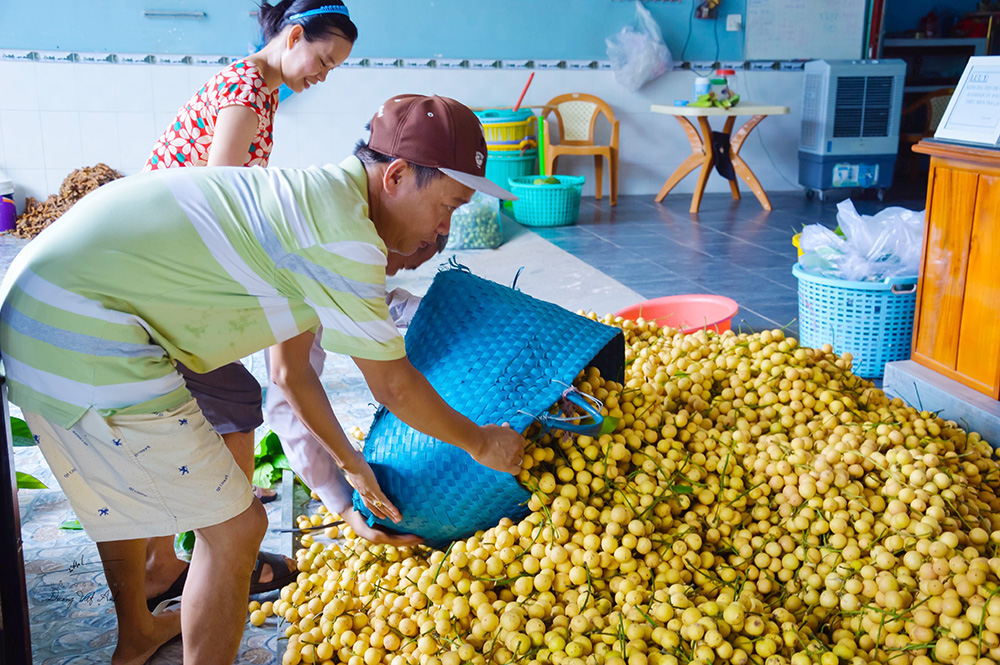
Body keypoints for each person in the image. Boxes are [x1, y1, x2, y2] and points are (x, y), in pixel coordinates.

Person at [0, 94, 525, 665]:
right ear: (396, 176)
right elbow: (392, 386)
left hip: (44, 313)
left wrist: (350, 466)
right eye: (447, 206)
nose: (444, 226)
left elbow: (290, 373)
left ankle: (137, 635)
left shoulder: (315, 203)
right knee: (235, 531)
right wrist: (481, 443)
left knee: (154, 505)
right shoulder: (342, 236)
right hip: (80, 329)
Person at [141, 0, 358, 610]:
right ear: (294, 37)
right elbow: (218, 196)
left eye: (334, 67)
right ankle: (226, 539)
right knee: (233, 396)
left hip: (171, 255)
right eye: (323, 59)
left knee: (211, 395)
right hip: (167, 260)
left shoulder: (256, 88)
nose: (322, 74)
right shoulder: (246, 89)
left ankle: (190, 543)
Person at [265, 235, 448, 548]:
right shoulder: (321, 254)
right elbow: (286, 397)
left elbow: (374, 306)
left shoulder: (340, 259)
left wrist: (445, 316)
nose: (393, 272)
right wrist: (345, 500)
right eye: (404, 260)